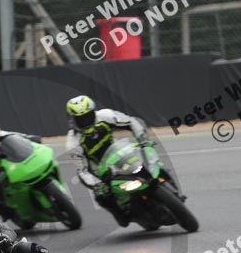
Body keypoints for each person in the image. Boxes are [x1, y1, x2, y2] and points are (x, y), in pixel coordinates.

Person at [65, 95, 183, 227]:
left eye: (87, 117)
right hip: (99, 168)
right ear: (72, 120)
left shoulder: (106, 116)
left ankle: (170, 186)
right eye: (80, 119)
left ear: (94, 112)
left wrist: (143, 140)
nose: (85, 121)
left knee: (150, 164)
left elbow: (131, 122)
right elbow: (82, 171)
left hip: (119, 152)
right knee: (102, 196)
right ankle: (121, 214)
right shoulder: (73, 143)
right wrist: (97, 184)